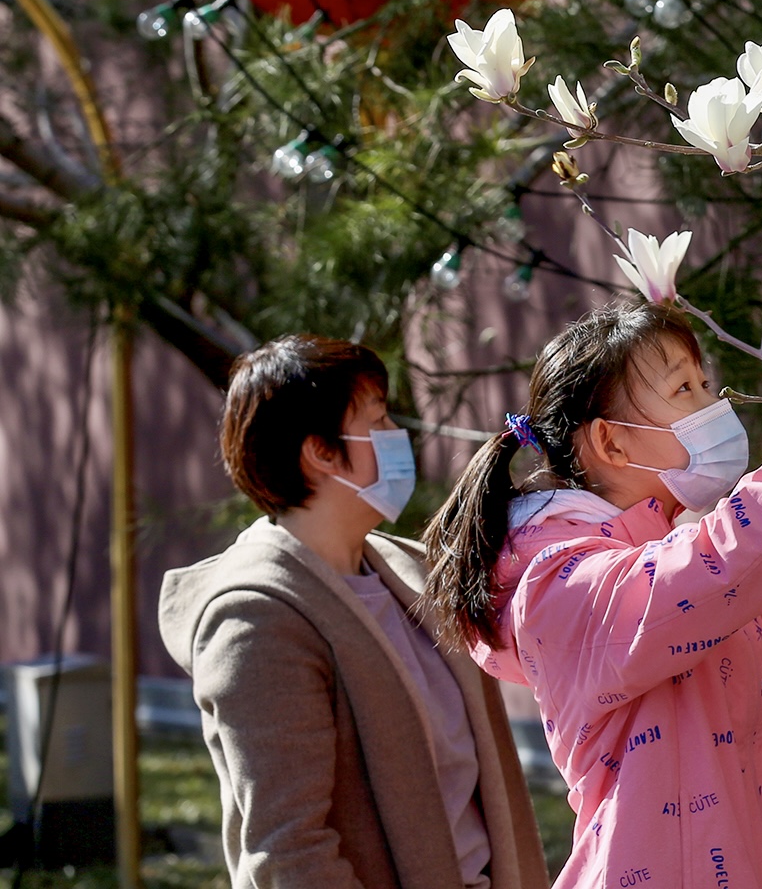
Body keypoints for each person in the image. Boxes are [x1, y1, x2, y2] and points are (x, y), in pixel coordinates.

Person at [418, 228, 762, 889]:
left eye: (704, 382)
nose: (714, 404)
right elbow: (731, 557)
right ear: (612, 444)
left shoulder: (688, 558)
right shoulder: (558, 585)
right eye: (684, 388)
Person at [157, 336, 549, 889]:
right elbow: (289, 850)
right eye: (378, 419)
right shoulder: (256, 622)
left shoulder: (412, 572)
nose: (398, 435)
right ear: (320, 451)